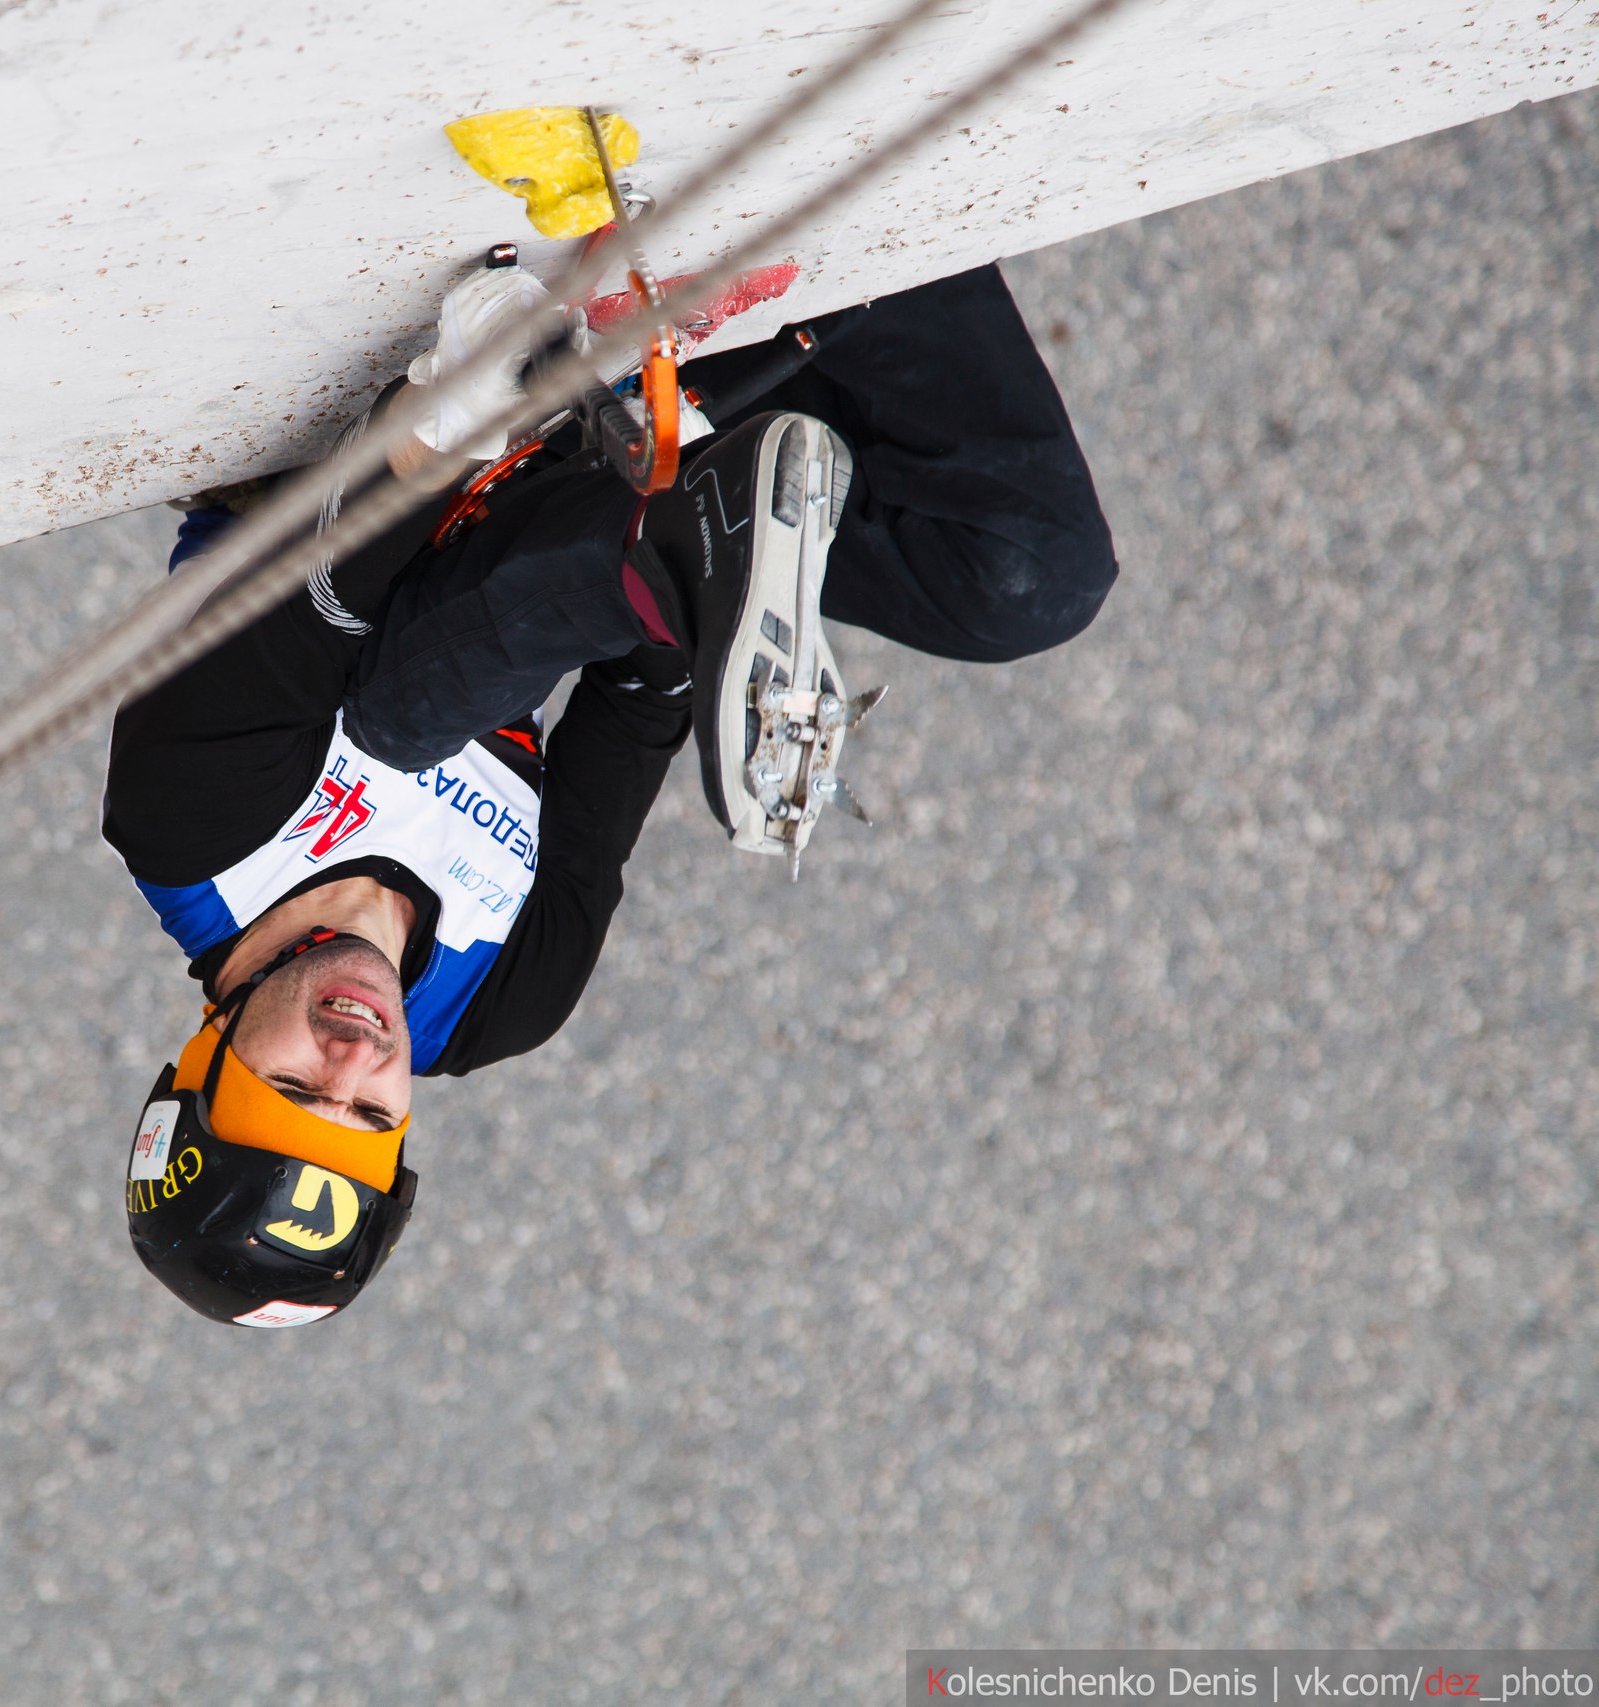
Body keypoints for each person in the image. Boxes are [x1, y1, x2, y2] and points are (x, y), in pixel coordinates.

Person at [101, 262, 1118, 1328]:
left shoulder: (191, 825)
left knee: (401, 722)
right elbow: (637, 711)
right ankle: (877, 253)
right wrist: (676, 610)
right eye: (368, 1113)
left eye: (298, 1087)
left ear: (207, 1057)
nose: (357, 1057)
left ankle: (671, 511)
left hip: (420, 459)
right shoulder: (500, 1003)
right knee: (1019, 580)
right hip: (617, 502)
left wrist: (453, 418)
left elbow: (321, 578)